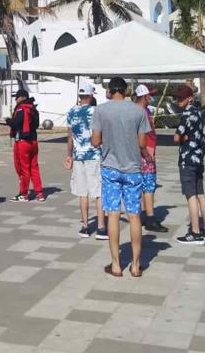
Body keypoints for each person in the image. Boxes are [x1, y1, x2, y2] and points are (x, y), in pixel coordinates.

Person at [91, 77, 150, 278]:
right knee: (134, 215)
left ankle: (116, 264)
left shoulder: (100, 110)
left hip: (110, 168)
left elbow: (95, 140)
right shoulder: (138, 111)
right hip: (133, 168)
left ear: (110, 90)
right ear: (125, 91)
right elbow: (142, 143)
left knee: (113, 214)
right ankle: (135, 265)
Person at [64, 81, 106, 239]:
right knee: (98, 192)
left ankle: (85, 226)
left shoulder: (71, 112)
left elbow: (70, 137)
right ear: (91, 95)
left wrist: (69, 155)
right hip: (95, 155)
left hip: (78, 155)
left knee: (82, 193)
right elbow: (102, 133)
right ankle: (101, 227)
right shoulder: (96, 111)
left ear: (80, 96)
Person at [173, 85, 205, 245]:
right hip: (199, 158)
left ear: (190, 98)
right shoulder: (198, 112)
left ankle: (195, 232)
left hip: (187, 159)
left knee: (191, 196)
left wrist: (183, 139)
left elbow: (176, 137)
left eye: (181, 98)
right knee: (200, 194)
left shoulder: (186, 114)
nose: (178, 101)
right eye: (177, 98)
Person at [134, 84, 167, 233]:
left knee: (144, 185)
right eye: (149, 95)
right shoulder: (140, 112)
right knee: (148, 185)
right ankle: (150, 217)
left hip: (145, 150)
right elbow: (140, 136)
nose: (151, 97)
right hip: (145, 152)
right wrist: (146, 153)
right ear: (144, 96)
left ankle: (142, 214)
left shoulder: (141, 110)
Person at [8, 89, 44, 202]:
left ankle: (24, 194)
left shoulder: (20, 109)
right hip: (34, 141)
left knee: (23, 169)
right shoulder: (34, 109)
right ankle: (40, 194)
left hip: (23, 142)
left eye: (17, 97)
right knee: (34, 167)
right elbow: (37, 124)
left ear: (22, 97)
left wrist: (8, 120)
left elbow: (15, 123)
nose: (15, 99)